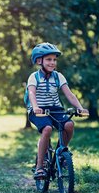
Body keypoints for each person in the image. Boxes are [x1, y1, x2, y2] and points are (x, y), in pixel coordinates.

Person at [26, 42, 89, 179]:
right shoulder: (34, 77)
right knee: (47, 129)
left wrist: (80, 108)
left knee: (69, 125)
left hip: (55, 109)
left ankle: (62, 152)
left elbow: (70, 94)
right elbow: (31, 93)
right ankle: (40, 167)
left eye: (54, 59)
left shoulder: (58, 76)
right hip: (38, 109)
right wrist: (36, 107)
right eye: (49, 59)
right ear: (39, 61)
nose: (53, 62)